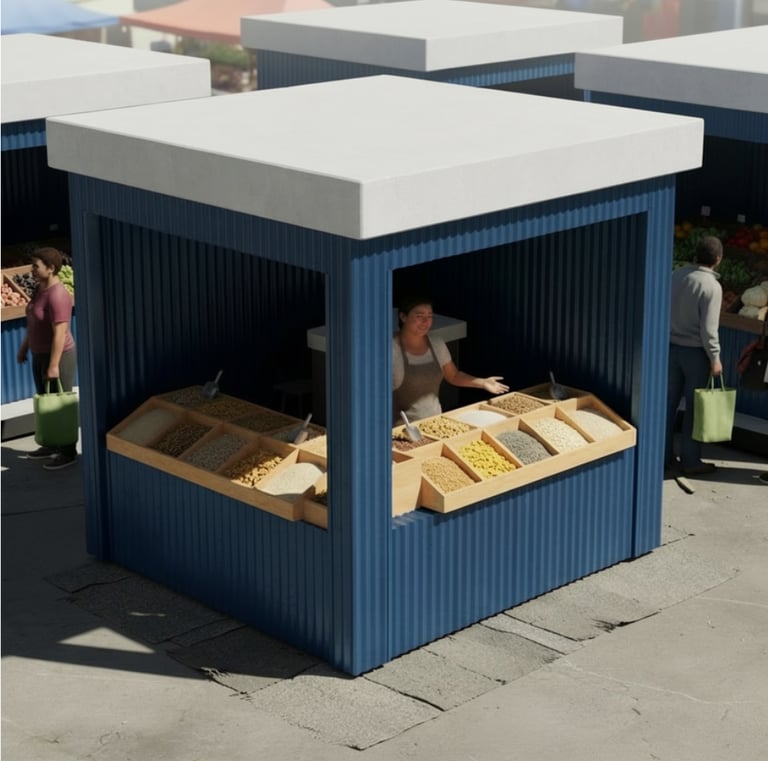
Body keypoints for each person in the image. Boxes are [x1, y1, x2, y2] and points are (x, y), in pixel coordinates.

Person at [393, 296, 509, 424]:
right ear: (403, 317)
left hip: (434, 423)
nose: (426, 321)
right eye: (419, 316)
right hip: (398, 427)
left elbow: (453, 376)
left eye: (430, 316)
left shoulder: (436, 343)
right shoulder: (389, 348)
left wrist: (482, 382)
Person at [664, 236, 723, 476]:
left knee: (667, 405)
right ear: (718, 259)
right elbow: (709, 330)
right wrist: (715, 358)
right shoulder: (712, 287)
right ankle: (690, 461)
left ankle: (662, 456)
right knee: (695, 409)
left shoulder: (676, 276)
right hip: (696, 354)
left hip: (669, 349)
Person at [16, 247, 78, 470]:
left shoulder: (58, 295)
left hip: (59, 357)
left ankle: (68, 451)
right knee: (46, 402)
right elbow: (33, 321)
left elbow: (60, 333)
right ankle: (51, 443)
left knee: (59, 405)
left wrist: (53, 365)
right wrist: (24, 347)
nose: (32, 269)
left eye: (36, 266)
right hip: (39, 354)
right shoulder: (39, 289)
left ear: (51, 268)